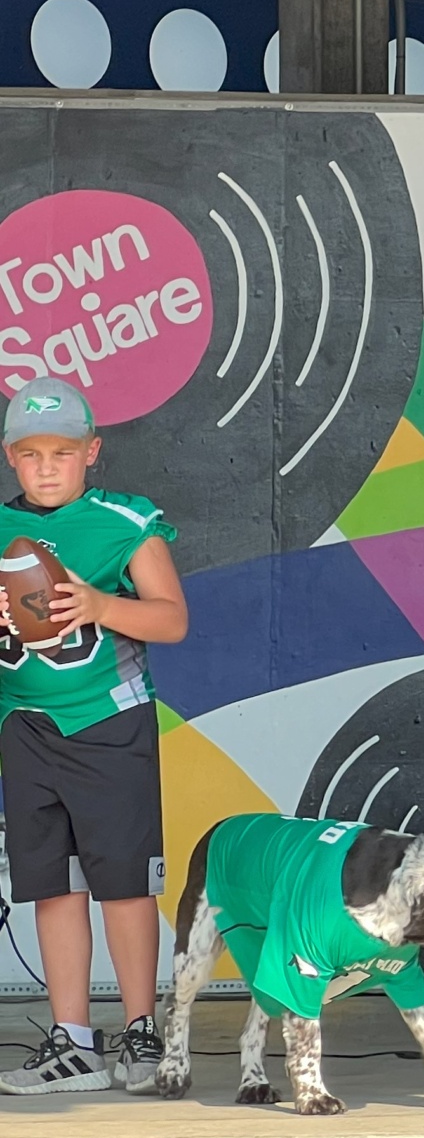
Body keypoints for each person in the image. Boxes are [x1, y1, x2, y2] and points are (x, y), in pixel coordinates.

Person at [0, 378, 189, 1097]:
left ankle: (141, 1028)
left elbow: (171, 620)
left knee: (123, 885)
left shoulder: (124, 521)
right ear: (10, 457)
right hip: (25, 724)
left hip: (108, 722)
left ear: (92, 453)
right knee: (53, 886)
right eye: (30, 453)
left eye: (63, 452)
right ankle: (72, 1041)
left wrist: (102, 603)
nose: (46, 467)